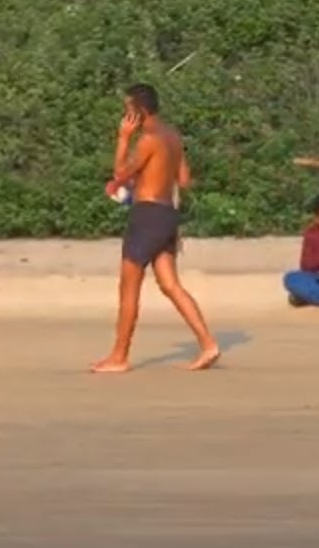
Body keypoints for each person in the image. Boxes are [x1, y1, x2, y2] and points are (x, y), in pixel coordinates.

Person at [90, 83, 221, 374]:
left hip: (147, 215)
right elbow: (184, 180)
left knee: (129, 287)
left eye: (127, 110)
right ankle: (208, 343)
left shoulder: (148, 139)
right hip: (167, 214)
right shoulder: (173, 136)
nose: (124, 116)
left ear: (139, 111)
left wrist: (122, 139)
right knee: (170, 284)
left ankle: (119, 355)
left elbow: (120, 173)